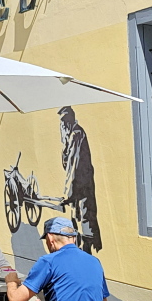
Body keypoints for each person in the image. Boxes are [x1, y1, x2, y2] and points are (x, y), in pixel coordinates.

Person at [59, 106, 101, 254]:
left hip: (81, 184)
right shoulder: (70, 135)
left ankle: (86, 252)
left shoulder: (76, 134)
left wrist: (67, 193)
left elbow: (73, 164)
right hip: (77, 185)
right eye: (61, 122)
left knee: (84, 217)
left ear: (70, 120)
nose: (62, 125)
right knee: (76, 218)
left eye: (64, 121)